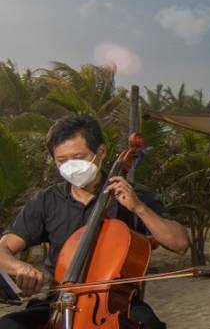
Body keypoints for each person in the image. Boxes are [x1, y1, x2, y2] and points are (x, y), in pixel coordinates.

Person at [0, 113, 189, 329]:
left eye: (79, 157)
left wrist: (139, 208)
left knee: (150, 326)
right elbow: (3, 249)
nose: (70, 166)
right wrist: (19, 267)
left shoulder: (134, 196)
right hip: (58, 302)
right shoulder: (47, 200)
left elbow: (180, 244)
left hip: (116, 303)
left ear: (101, 152)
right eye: (62, 161)